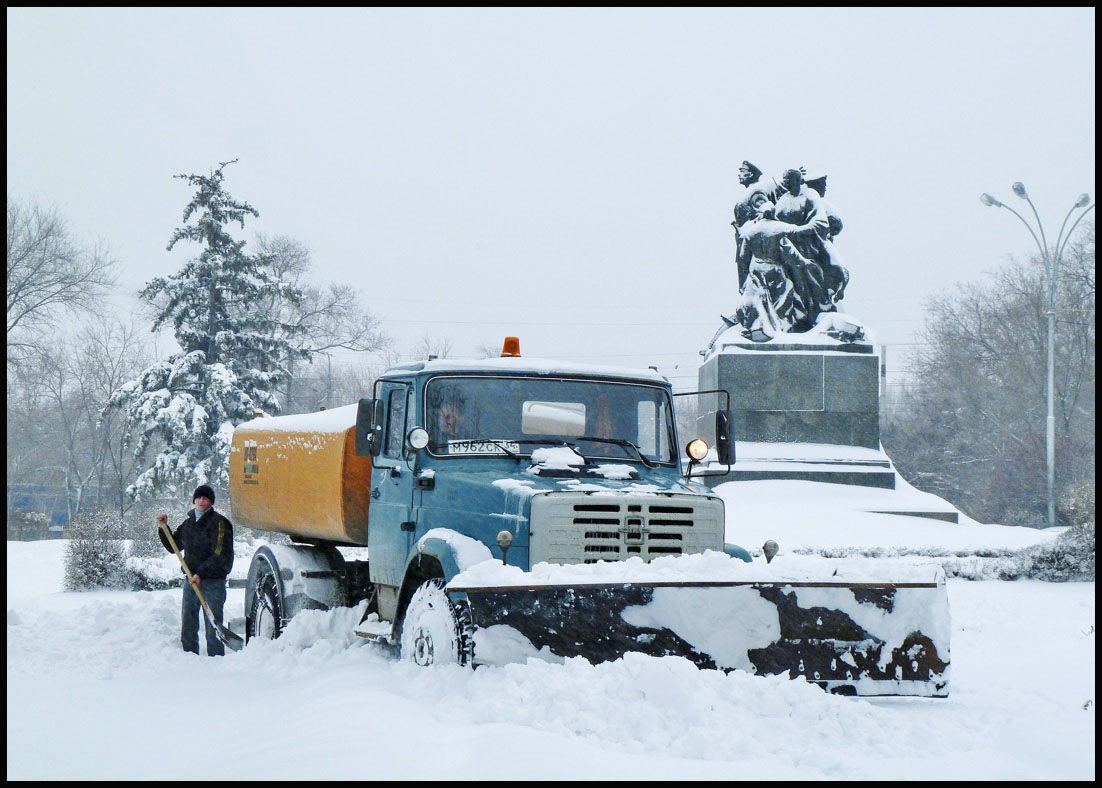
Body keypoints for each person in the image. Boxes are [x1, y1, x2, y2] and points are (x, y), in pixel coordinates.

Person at [158, 485, 234, 656]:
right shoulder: (188, 523)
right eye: (199, 497)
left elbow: (220, 553)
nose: (202, 500)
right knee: (189, 621)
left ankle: (216, 659)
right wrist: (163, 529)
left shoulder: (220, 523)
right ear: (194, 500)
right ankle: (189, 657)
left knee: (212, 623)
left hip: (213, 581)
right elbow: (174, 546)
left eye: (206, 498)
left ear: (211, 502)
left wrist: (201, 573)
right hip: (191, 580)